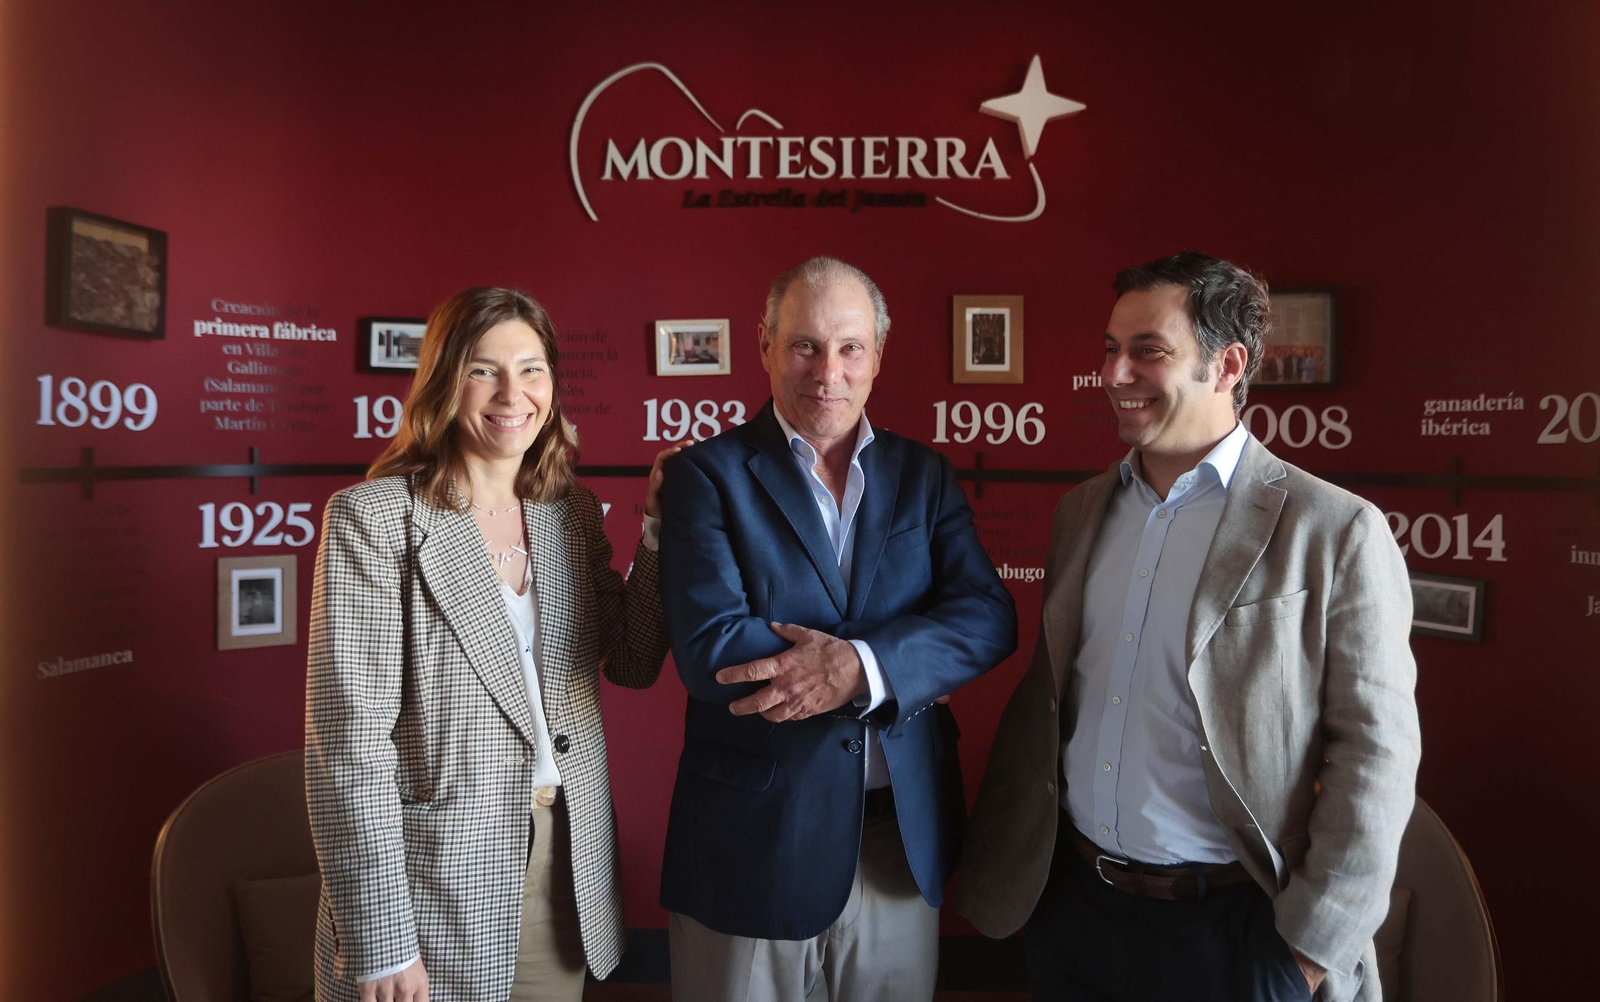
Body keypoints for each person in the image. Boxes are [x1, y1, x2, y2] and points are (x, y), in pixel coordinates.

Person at [955, 251, 1421, 1002]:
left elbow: (1378, 756)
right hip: (1072, 908)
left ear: (1227, 365)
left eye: (1148, 351)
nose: (1114, 373)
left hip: (1236, 932)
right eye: (1111, 348)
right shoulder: (1081, 512)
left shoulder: (1336, 530)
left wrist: (1307, 952)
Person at [305, 286, 687, 1002]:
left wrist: (661, 529)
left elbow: (633, 662)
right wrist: (382, 938)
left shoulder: (567, 512)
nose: (513, 394)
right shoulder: (374, 519)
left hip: (562, 866)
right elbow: (348, 748)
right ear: (445, 382)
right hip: (427, 882)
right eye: (484, 370)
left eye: (531, 369)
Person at [654, 255, 1018, 1002]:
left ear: (877, 356)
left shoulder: (924, 476)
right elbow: (711, 648)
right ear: (765, 345)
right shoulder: (705, 476)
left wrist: (860, 666)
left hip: (897, 846)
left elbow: (986, 617)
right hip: (753, 845)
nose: (829, 372)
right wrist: (901, 659)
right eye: (805, 345)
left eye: (850, 347)